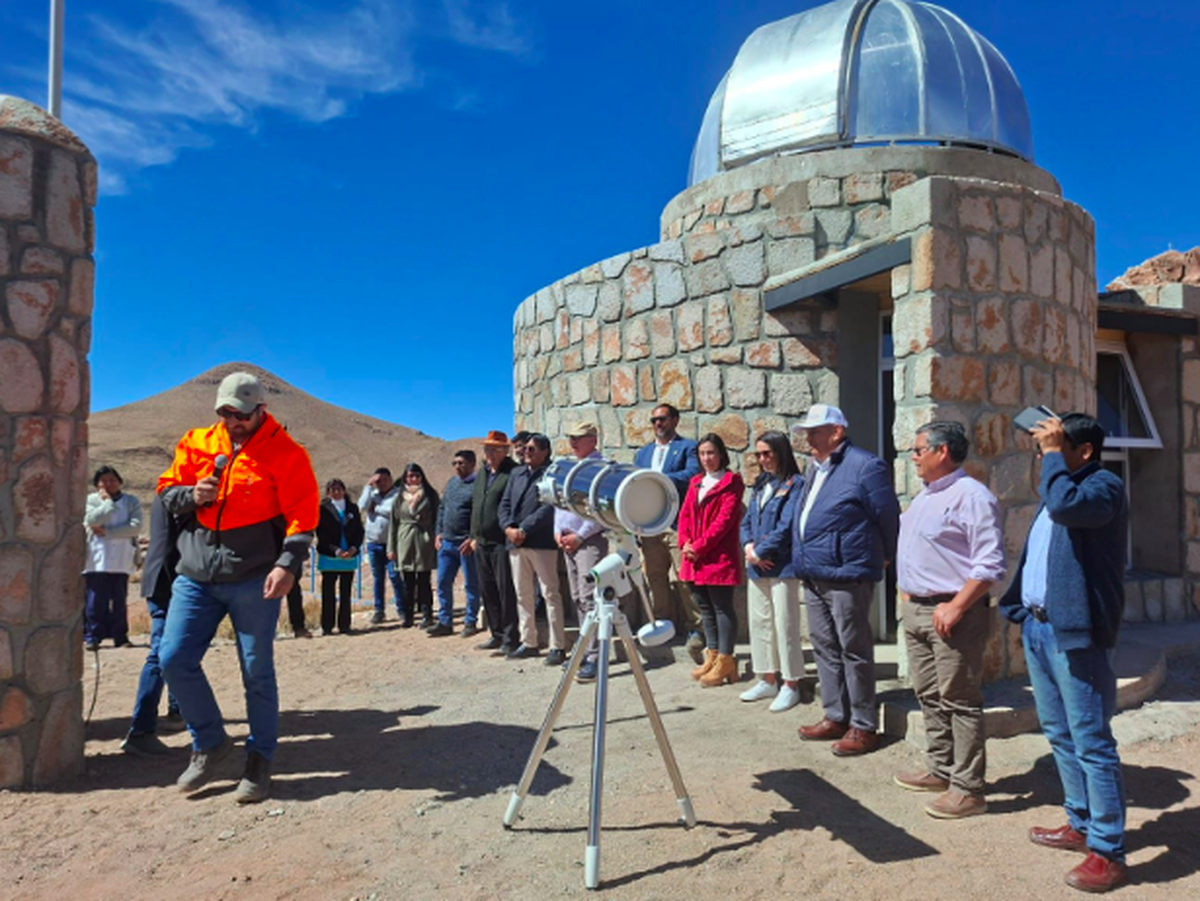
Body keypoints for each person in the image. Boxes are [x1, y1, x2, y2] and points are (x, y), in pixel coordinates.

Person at [158, 370, 319, 804]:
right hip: (196, 574)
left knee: (256, 671)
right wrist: (192, 495)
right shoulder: (197, 442)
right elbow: (167, 490)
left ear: (261, 410)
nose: (233, 421)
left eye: (241, 415)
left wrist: (287, 564)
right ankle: (210, 742)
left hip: (254, 577)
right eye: (225, 413)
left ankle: (259, 760)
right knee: (173, 658)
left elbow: (303, 513)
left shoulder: (287, 453)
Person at [999, 413, 1129, 893]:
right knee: (1059, 733)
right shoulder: (1062, 487)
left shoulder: (1102, 487)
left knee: (1092, 741)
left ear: (1085, 451)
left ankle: (1108, 850)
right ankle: (1080, 823)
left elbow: (1065, 507)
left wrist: (1053, 456)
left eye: (1053, 447)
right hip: (1040, 628)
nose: (1043, 457)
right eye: (1043, 449)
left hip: (1077, 635)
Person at [895, 421, 1005, 819]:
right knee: (928, 693)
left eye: (919, 449)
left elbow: (990, 564)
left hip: (952, 614)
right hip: (918, 611)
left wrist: (957, 605)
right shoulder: (926, 496)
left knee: (960, 700)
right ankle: (940, 769)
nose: (913, 457)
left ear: (942, 452)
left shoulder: (972, 497)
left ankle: (969, 788)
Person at [793, 404, 899, 757]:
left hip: (847, 573)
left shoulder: (866, 466)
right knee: (825, 647)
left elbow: (887, 516)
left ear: (836, 431)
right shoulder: (815, 468)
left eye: (814, 431)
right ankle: (836, 716)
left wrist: (885, 555)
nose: (808, 438)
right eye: (806, 432)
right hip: (814, 572)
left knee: (854, 649)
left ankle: (864, 725)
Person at [739, 430, 806, 712]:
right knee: (760, 622)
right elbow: (747, 522)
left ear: (781, 452)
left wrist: (760, 552)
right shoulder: (761, 484)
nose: (763, 459)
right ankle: (767, 678)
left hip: (782, 565)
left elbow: (787, 525)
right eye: (759, 454)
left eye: (768, 453)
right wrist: (749, 548)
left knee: (785, 624)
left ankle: (791, 683)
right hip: (757, 565)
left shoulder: (796, 484)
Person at [633, 403, 704, 663]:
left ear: (675, 420)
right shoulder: (643, 454)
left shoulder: (688, 448)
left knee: (685, 577)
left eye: (662, 419)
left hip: (677, 524)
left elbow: (693, 474)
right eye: (654, 420)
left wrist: (658, 479)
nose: (658, 424)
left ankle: (696, 628)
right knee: (655, 577)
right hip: (649, 525)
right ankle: (663, 625)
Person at [120, 491, 184, 756]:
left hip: (163, 580)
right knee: (160, 654)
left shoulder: (168, 490)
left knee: (177, 651)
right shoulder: (180, 492)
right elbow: (175, 546)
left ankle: (177, 711)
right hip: (169, 583)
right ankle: (141, 730)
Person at [679, 433, 745, 688]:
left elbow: (724, 522)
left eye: (711, 453)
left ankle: (726, 658)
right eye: (702, 453)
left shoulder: (731, 482)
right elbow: (685, 514)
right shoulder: (696, 482)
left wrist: (699, 546)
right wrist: (685, 543)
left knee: (721, 608)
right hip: (694, 557)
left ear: (721, 455)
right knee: (705, 609)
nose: (706, 458)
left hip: (717, 557)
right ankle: (713, 655)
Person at [500, 433, 566, 663]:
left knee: (550, 593)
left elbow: (549, 507)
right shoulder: (516, 474)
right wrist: (508, 528)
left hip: (541, 543)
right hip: (515, 543)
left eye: (532, 449)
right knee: (523, 594)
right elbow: (504, 504)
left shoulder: (552, 474)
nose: (526, 452)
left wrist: (524, 529)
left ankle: (557, 646)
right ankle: (529, 642)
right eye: (525, 448)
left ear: (545, 452)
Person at [554, 421, 611, 683]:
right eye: (571, 437)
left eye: (579, 437)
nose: (573, 442)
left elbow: (601, 509)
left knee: (590, 598)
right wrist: (558, 530)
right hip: (569, 540)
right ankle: (584, 652)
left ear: (593, 439)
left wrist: (580, 535)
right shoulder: (568, 466)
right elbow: (559, 502)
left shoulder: (602, 468)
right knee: (577, 598)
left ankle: (595, 657)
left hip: (589, 541)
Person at [82, 465, 144, 651]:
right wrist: (107, 504)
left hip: (121, 558)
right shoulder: (91, 500)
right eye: (104, 481)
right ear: (97, 484)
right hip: (96, 557)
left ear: (120, 482)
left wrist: (108, 532)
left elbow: (135, 527)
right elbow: (91, 521)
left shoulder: (131, 502)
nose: (108, 484)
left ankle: (120, 636)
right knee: (95, 600)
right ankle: (93, 636)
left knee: (119, 599)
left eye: (112, 480)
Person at [468, 432, 519, 653]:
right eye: (487, 449)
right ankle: (496, 634)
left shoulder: (513, 473)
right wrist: (473, 535)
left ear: (505, 451)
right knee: (487, 590)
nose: (490, 453)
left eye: (495, 449)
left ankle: (510, 638)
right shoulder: (483, 473)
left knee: (505, 591)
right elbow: (476, 505)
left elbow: (512, 506)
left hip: (501, 541)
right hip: (481, 542)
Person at [433, 449, 480, 637]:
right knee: (443, 582)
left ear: (472, 464)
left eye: (461, 463)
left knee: (471, 584)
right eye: (455, 463)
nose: (457, 467)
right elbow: (442, 508)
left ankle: (470, 621)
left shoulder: (478, 485)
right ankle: (445, 621)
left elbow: (478, 513)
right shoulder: (452, 483)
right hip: (447, 542)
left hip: (465, 543)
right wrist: (438, 533)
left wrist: (473, 537)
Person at [388, 463, 439, 629]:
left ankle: (427, 614)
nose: (413, 479)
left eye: (417, 475)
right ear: (405, 478)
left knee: (424, 580)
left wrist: (437, 538)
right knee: (407, 581)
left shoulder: (430, 495)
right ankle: (408, 616)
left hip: (424, 539)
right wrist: (391, 547)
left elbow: (438, 518)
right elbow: (393, 524)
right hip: (404, 540)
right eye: (410, 476)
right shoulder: (399, 497)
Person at [316, 478, 364, 636]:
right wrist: (336, 550)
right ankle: (327, 626)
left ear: (344, 490)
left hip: (349, 557)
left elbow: (359, 531)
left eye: (339, 489)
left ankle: (344, 625)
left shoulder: (353, 508)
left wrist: (354, 548)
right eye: (333, 489)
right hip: (329, 557)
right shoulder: (323, 509)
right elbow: (321, 534)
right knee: (328, 593)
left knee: (346, 592)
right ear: (328, 492)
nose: (336, 492)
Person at [358, 467, 405, 624]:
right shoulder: (372, 494)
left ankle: (402, 608)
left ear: (391, 480)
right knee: (378, 578)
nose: (382, 483)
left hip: (392, 544)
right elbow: (362, 506)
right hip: (373, 543)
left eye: (385, 480)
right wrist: (368, 486)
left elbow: (394, 511)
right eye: (378, 481)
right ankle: (379, 610)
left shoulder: (398, 494)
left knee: (395, 576)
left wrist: (376, 508)